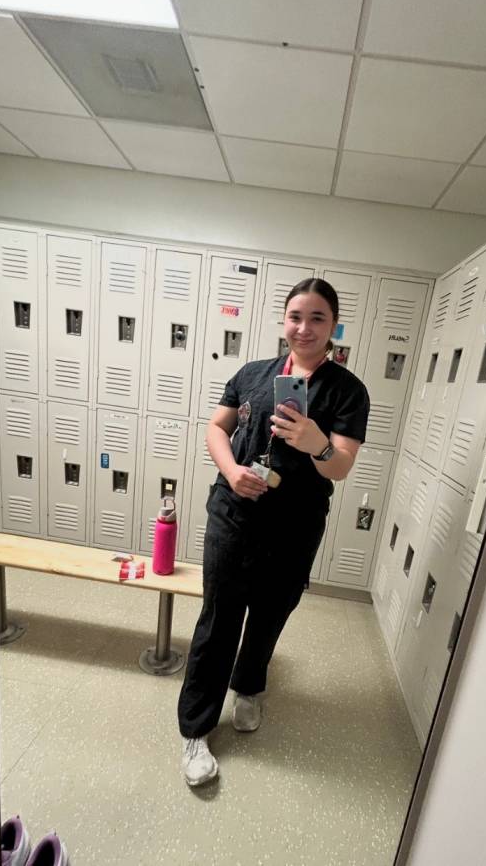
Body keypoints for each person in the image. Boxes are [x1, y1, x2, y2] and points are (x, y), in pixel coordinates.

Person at [177, 278, 370, 786]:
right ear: (284, 321)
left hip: (294, 526)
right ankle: (195, 729)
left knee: (268, 617)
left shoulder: (347, 390)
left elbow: (341, 466)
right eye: (296, 317)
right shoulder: (252, 374)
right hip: (233, 516)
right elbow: (217, 429)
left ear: (333, 327)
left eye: (318, 319)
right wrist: (232, 471)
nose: (304, 328)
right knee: (218, 620)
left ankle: (248, 687)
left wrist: (316, 443)